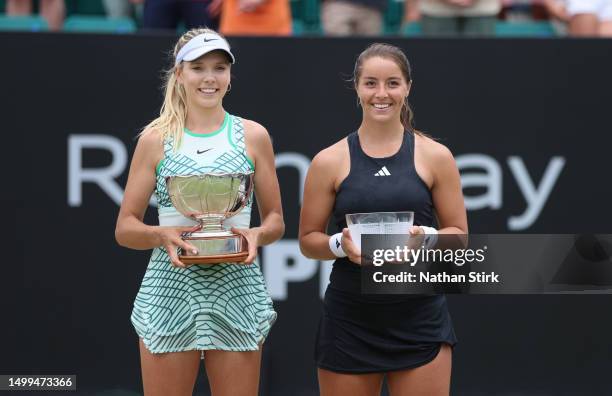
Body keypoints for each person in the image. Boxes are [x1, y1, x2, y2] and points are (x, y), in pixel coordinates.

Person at [115, 28, 284, 396]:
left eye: (219, 68)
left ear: (229, 76)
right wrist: (161, 235)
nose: (210, 78)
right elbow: (125, 228)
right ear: (179, 74)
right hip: (170, 290)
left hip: (237, 288)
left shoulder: (254, 135)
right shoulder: (155, 139)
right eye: (198, 68)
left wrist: (256, 235)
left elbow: (275, 222)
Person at [298, 43, 467, 395]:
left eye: (392, 83)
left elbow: (459, 236)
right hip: (349, 322)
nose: (381, 94)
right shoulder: (328, 161)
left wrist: (427, 238)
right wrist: (340, 246)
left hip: (419, 319)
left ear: (407, 87)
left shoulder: (435, 156)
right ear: (357, 87)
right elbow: (308, 240)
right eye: (371, 83)